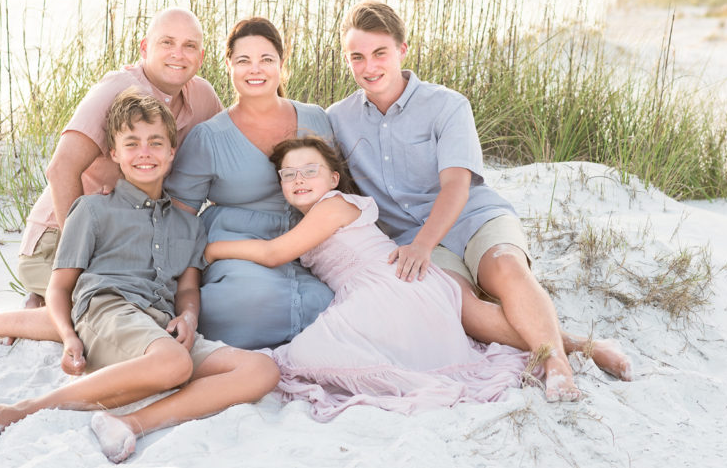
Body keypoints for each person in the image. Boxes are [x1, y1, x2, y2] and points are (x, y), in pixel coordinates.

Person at [0, 91, 278, 464]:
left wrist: (189, 317)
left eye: (156, 143)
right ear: (114, 153)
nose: (145, 152)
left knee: (260, 369)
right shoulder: (93, 210)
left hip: (158, 329)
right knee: (173, 363)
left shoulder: (188, 225)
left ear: (172, 152)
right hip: (107, 312)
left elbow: (188, 288)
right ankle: (26, 408)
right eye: (132, 144)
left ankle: (129, 422)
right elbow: (62, 286)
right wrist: (67, 338)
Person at [327, 1, 632, 402]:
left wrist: (420, 247)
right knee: (461, 308)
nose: (369, 67)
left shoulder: (448, 105)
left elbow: (456, 185)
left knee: (505, 265)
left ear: (402, 50)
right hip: (414, 236)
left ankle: (556, 362)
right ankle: (582, 346)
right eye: (357, 57)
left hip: (473, 215)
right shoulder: (337, 118)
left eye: (380, 53)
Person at [205, 136, 528, 421]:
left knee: (302, 355)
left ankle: (547, 341)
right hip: (377, 290)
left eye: (309, 171)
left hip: (388, 286)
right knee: (312, 352)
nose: (298, 179)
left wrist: (213, 249)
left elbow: (274, 253)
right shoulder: (312, 216)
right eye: (288, 174)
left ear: (333, 178)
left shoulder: (334, 205)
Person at [17, 7, 222, 307]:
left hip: (131, 241)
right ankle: (2, 320)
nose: (178, 54)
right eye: (167, 43)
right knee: (113, 305)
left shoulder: (203, 97)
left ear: (201, 57)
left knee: (163, 298)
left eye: (189, 46)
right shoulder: (117, 89)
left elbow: (228, 149)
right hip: (60, 238)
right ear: (144, 48)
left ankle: (45, 303)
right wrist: (84, 260)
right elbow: (61, 169)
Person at [165, 17, 334, 349]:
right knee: (250, 301)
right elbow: (181, 217)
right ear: (228, 65)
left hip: (306, 246)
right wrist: (186, 288)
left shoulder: (316, 119)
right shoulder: (208, 137)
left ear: (282, 65)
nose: (255, 69)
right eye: (243, 60)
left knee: (329, 302)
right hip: (235, 247)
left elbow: (340, 191)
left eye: (266, 60)